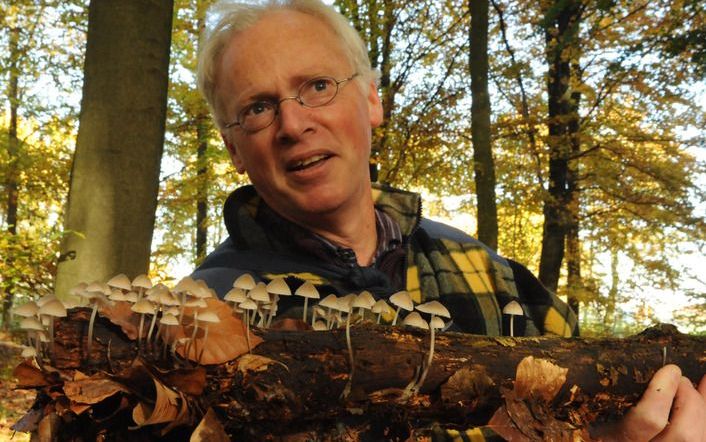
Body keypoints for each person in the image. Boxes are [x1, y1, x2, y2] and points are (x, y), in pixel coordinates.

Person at [191, 0, 706, 439]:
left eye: (319, 85)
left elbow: (595, 406)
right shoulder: (198, 320)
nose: (294, 124)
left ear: (372, 100)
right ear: (234, 147)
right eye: (258, 108)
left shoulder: (493, 278)